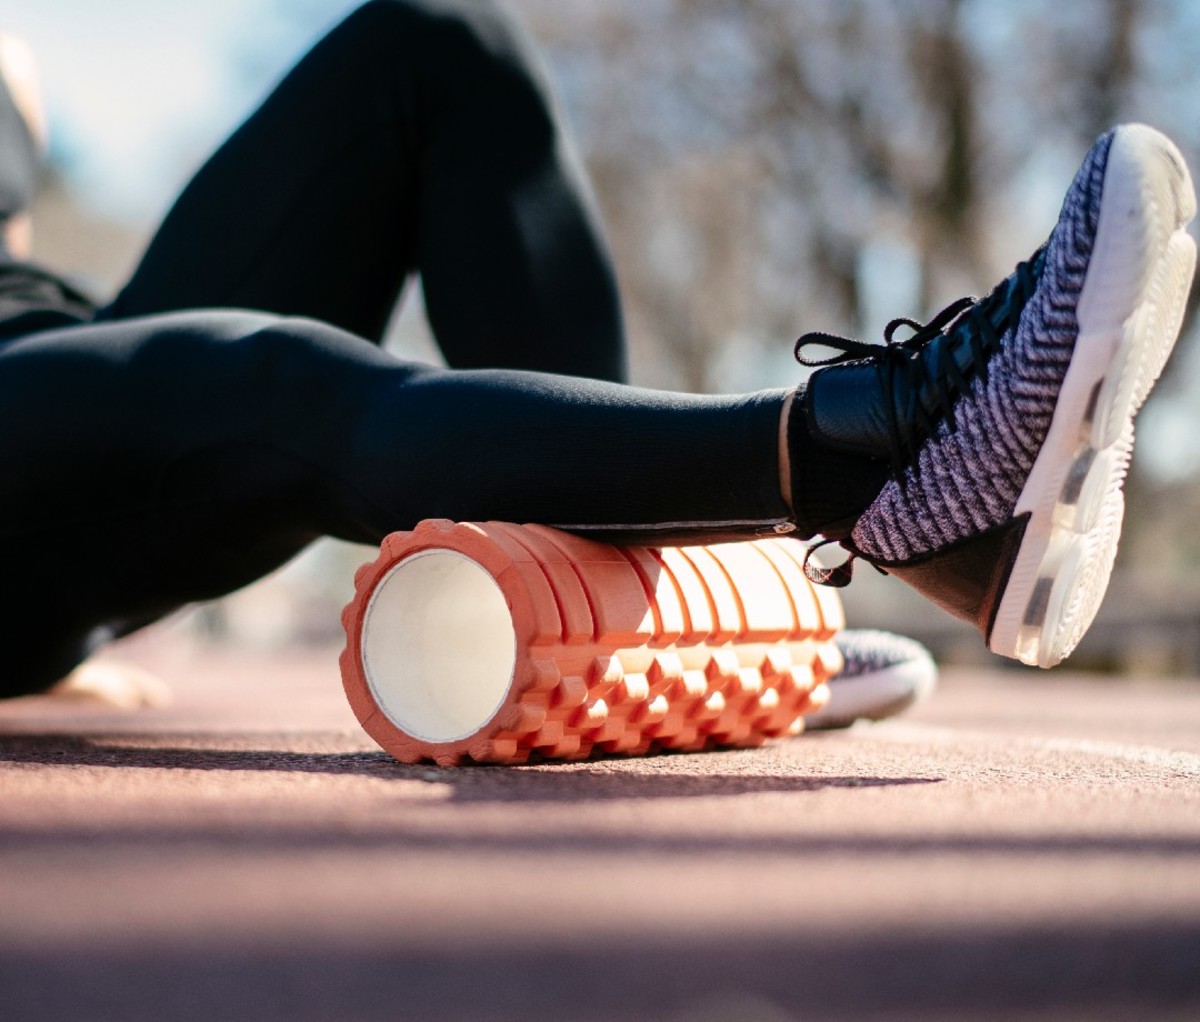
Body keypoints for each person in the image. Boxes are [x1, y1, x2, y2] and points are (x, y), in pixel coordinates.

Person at [0, 0, 1193, 702]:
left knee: (436, 44)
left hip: (53, 342)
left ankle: (643, 618)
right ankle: (872, 456)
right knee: (263, 375)